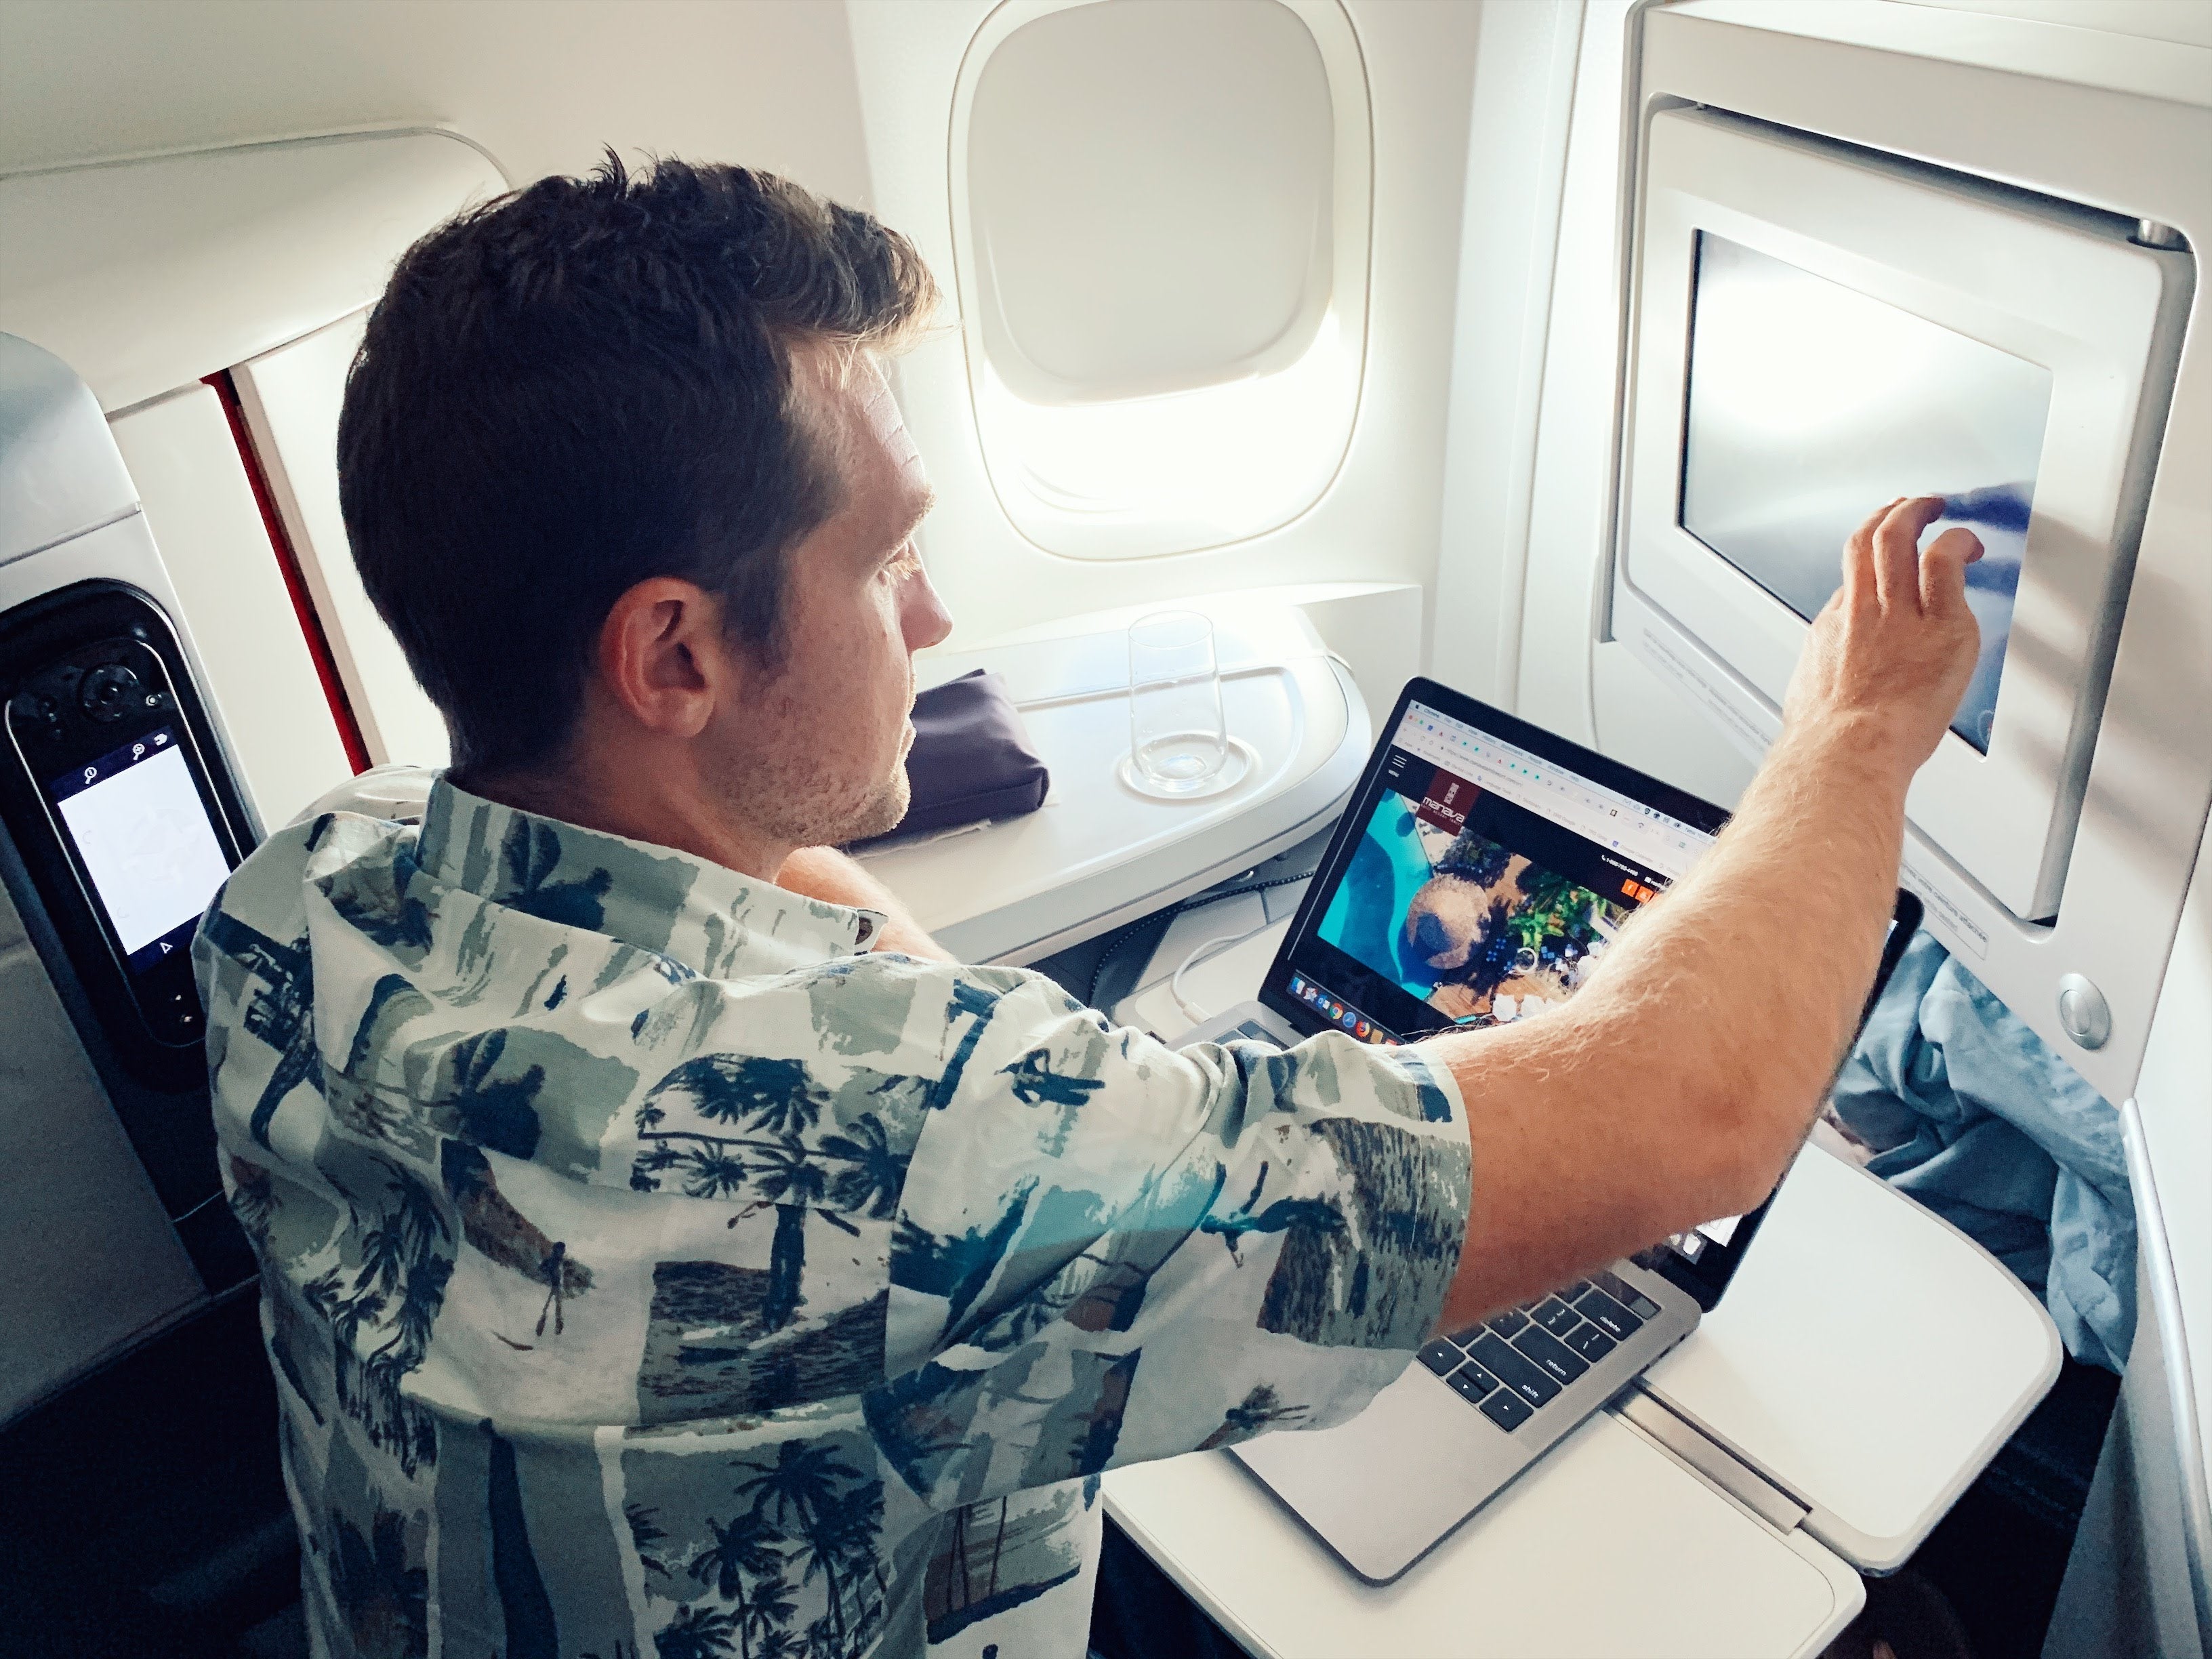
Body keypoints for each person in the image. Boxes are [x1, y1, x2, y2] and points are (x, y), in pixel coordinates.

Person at [194, 155, 1982, 1659]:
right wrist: (1859, 730)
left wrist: (914, 989)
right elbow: (1705, 1115)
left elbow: (760, 930)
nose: (937, 622)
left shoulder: (299, 891)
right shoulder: (912, 1156)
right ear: (673, 651)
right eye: (886, 561)